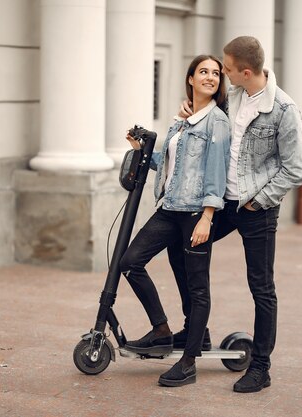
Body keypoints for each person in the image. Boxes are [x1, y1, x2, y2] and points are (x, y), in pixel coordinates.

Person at [173, 36, 302, 393]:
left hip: (256, 209)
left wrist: (257, 200)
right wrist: (190, 110)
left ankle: (261, 367)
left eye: (227, 69)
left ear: (245, 72)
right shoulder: (233, 96)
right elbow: (205, 116)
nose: (222, 74)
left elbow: (296, 169)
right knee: (180, 245)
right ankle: (195, 330)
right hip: (221, 205)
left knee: (261, 287)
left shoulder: (283, 109)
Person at [119, 55, 231, 387]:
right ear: (191, 79)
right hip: (170, 208)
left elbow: (216, 171)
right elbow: (169, 163)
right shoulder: (182, 120)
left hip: (197, 212)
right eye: (204, 72)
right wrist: (140, 149)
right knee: (129, 262)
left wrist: (207, 218)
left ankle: (189, 361)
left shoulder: (217, 122)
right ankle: (162, 330)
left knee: (197, 286)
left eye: (215, 73)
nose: (210, 77)